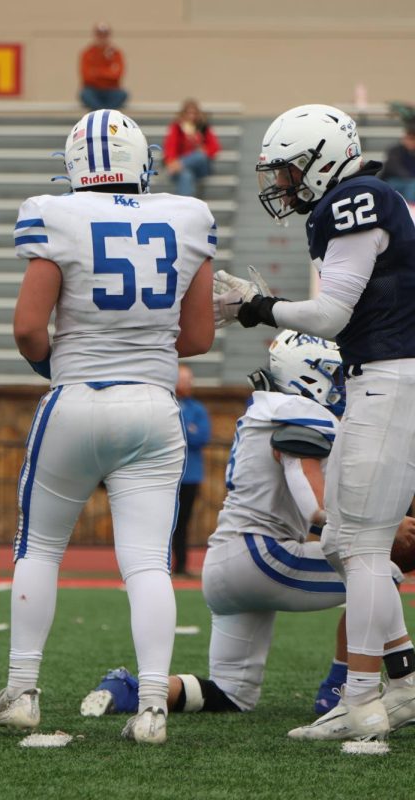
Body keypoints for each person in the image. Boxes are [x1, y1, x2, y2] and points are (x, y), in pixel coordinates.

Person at [0, 109, 215, 745]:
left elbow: (28, 328)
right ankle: (155, 704)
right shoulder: (187, 217)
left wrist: (68, 366)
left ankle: (23, 690)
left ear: (76, 167)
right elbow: (197, 336)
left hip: (77, 398)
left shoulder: (58, 215)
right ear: (142, 162)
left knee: (41, 548)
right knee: (147, 564)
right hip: (155, 408)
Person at [218, 103, 415, 740]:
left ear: (324, 159)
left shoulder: (354, 200)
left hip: (391, 378)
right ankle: (404, 682)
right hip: (383, 377)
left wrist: (256, 307)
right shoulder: (364, 200)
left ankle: (360, 701)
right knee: (342, 543)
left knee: (358, 546)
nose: (282, 185)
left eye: (289, 171)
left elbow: (329, 316)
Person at [79, 331, 397, 719]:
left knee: (232, 693)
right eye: (334, 374)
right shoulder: (300, 411)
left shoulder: (264, 408)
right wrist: (374, 529)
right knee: (383, 571)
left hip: (226, 564)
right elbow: (312, 501)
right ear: (309, 375)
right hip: (263, 554)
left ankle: (132, 689)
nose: (341, 384)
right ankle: (342, 687)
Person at [171, 364, 210, 576]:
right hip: (166, 474)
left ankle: (181, 565)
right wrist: (188, 429)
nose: (186, 384)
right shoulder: (165, 403)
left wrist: (181, 428)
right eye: (182, 379)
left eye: (188, 379)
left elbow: (202, 437)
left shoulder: (197, 408)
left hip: (190, 475)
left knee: (183, 523)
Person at [163, 99, 221, 198]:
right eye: (188, 113)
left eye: (194, 113)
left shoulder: (203, 127)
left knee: (200, 155)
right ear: (183, 114)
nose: (191, 116)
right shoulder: (177, 127)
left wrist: (202, 146)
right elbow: (170, 148)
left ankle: (178, 165)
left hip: (200, 167)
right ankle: (185, 208)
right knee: (186, 175)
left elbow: (215, 148)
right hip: (181, 169)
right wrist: (171, 161)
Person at [79, 23, 127, 111]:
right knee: (85, 94)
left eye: (105, 35)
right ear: (95, 35)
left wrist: (97, 72)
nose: (102, 38)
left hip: (112, 90)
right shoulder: (87, 53)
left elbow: (117, 75)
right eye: (99, 35)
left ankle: (106, 115)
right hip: (93, 90)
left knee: (122, 94)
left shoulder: (116, 53)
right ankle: (100, 114)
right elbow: (87, 76)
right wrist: (108, 72)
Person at [380, 122, 415, 203]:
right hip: (395, 180)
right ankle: (408, 207)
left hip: (410, 181)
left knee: (412, 185)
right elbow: (393, 167)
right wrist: (410, 177)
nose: (410, 141)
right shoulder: (395, 151)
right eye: (409, 138)